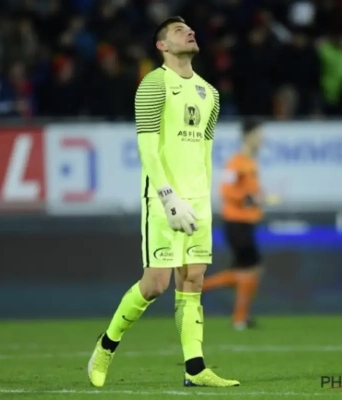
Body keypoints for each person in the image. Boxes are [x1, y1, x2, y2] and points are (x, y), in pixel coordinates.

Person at [87, 16, 240, 388]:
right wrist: (168, 196)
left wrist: (204, 198)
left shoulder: (210, 93)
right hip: (163, 199)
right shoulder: (154, 84)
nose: (189, 32)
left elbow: (205, 152)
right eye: (178, 31)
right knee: (155, 284)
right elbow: (147, 147)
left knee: (193, 280)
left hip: (198, 199)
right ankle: (106, 345)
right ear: (162, 46)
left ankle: (195, 369)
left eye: (190, 29)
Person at [202, 120, 264, 330]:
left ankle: (240, 317)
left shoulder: (250, 163)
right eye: (258, 135)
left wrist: (256, 200)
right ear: (247, 137)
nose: (261, 140)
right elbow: (226, 189)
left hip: (246, 223)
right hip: (236, 223)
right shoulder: (236, 163)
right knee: (250, 269)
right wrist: (247, 198)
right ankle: (199, 289)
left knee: (247, 270)